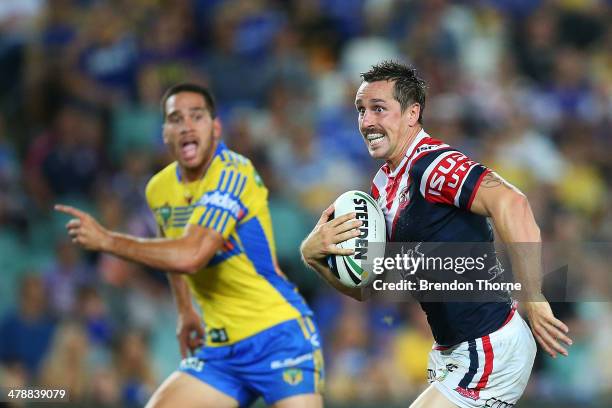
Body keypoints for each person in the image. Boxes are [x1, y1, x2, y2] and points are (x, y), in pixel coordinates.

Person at [300, 61, 572, 408]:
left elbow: (513, 202)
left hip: (488, 349)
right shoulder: (383, 187)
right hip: (451, 354)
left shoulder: (432, 165)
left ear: (412, 113)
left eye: (379, 109)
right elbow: (368, 288)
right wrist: (314, 257)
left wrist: (533, 295)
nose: (366, 121)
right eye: (361, 110)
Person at [56, 83, 324, 408]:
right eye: (175, 118)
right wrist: (185, 310)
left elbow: (191, 256)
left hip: (278, 335)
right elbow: (172, 247)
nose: (185, 126)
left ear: (215, 127)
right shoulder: (159, 188)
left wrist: (108, 240)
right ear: (165, 133)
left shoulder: (233, 172)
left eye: (196, 116)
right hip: (222, 349)